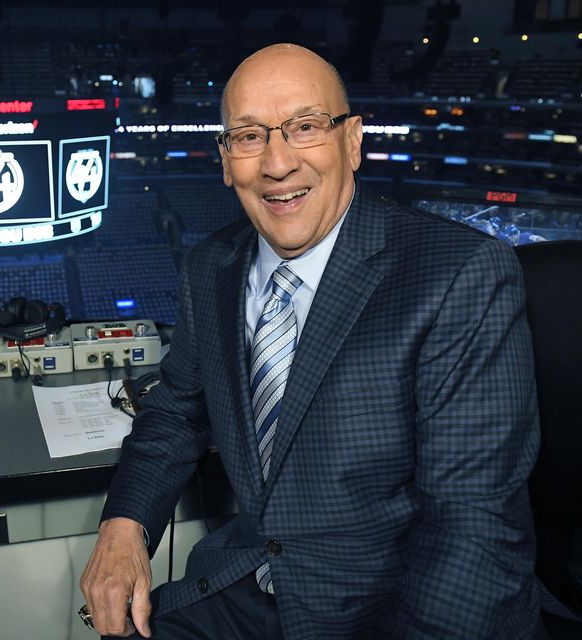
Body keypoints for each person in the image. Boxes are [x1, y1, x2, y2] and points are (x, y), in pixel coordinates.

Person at [79, 43, 541, 639]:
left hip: (391, 611)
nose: (276, 164)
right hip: (246, 588)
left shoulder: (460, 274)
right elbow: (175, 413)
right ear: (225, 160)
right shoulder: (209, 267)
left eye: (304, 127)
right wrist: (124, 525)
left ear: (352, 141)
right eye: (248, 136)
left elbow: (472, 532)